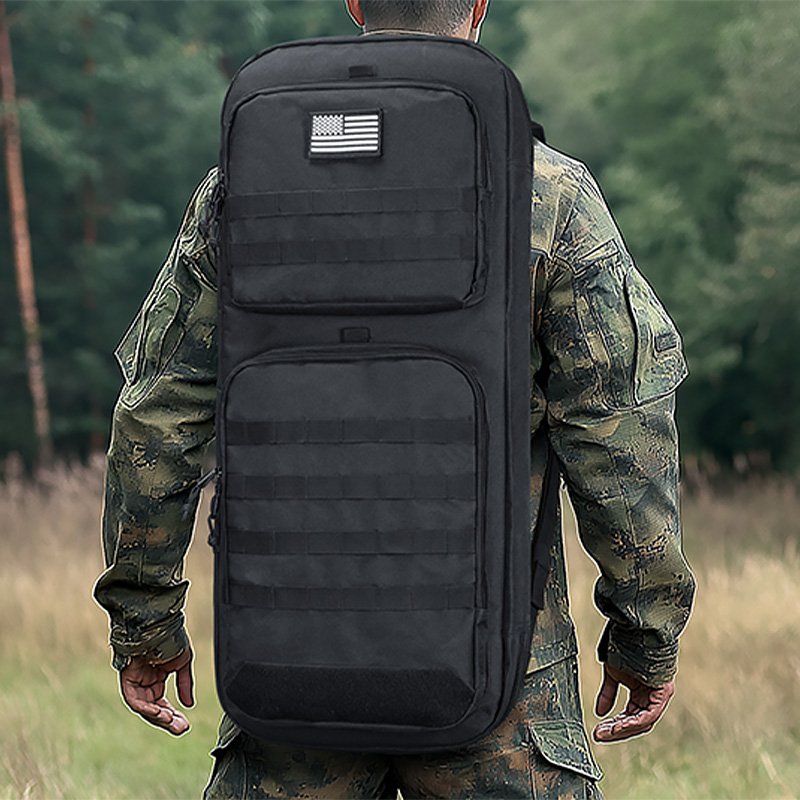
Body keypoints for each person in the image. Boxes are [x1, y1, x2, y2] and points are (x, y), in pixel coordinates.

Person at [93, 0, 696, 797]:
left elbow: (157, 418)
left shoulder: (242, 186)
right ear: (478, 6)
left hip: (289, 666)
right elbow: (616, 432)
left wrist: (145, 623)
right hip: (501, 680)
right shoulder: (546, 193)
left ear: (354, 2)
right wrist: (646, 633)